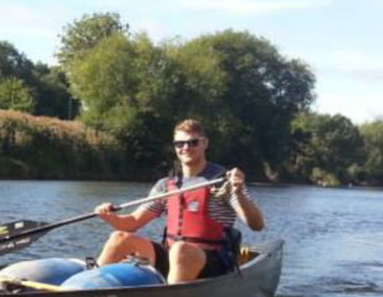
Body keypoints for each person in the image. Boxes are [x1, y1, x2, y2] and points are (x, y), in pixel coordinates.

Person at [93, 119, 264, 284]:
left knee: (180, 250)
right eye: (179, 144)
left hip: (211, 259)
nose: (186, 148)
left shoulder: (223, 182)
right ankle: (88, 288)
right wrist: (110, 217)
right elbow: (133, 223)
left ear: (204, 143)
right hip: (173, 253)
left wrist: (239, 193)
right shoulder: (166, 185)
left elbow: (256, 224)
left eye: (193, 142)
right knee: (119, 238)